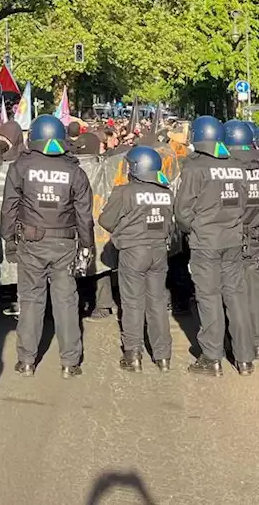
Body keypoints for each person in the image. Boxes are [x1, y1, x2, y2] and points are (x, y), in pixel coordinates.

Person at [1, 115, 94, 378]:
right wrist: (86, 247)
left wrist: (8, 239)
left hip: (30, 243)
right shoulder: (74, 170)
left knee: (31, 300)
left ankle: (27, 361)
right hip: (65, 244)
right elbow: (85, 215)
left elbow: (9, 207)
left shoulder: (21, 167)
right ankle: (70, 363)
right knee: (65, 302)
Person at [174, 116, 254, 376]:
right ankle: (244, 358)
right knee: (236, 297)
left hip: (206, 241)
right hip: (232, 239)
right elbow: (244, 204)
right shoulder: (236, 165)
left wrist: (194, 228)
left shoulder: (194, 168)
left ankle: (212, 357)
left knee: (209, 298)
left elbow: (182, 212)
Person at [99, 145, 175, 373]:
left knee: (132, 302)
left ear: (134, 167)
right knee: (158, 302)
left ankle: (133, 354)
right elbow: (171, 225)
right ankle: (163, 356)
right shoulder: (166, 193)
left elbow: (106, 221)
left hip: (133, 252)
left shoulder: (124, 192)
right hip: (159, 252)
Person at [225, 119, 259, 361]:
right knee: (255, 289)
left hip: (234, 234)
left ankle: (240, 346)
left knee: (234, 294)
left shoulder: (231, 170)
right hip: (257, 233)